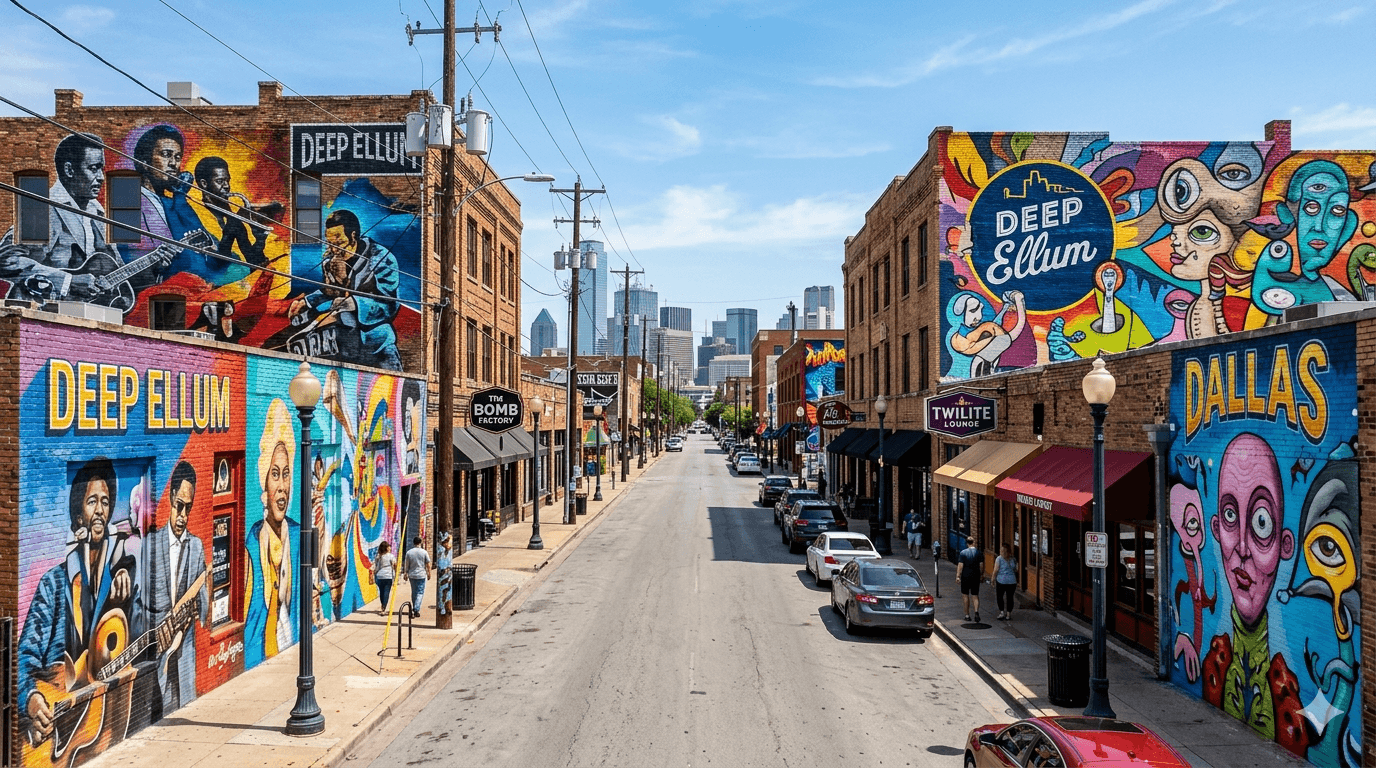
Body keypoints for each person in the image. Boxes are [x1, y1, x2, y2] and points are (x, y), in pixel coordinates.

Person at [18, 458, 140, 745]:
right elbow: (23, 659)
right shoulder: (53, 585)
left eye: (106, 502)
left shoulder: (117, 581)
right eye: (92, 501)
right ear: (78, 515)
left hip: (94, 731)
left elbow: (132, 647)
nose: (100, 510)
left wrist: (125, 600)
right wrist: (32, 699)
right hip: (52, 732)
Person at [287, 209, 402, 370]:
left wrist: (352, 303)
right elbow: (329, 292)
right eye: (330, 244)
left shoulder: (381, 258)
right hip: (346, 349)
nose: (334, 250)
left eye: (339, 243)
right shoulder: (330, 261)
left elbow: (388, 305)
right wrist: (306, 303)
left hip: (378, 348)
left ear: (353, 236)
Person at [144, 461, 209, 717]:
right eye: (179, 506)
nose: (183, 515)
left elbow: (204, 610)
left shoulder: (196, 547)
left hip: (183, 660)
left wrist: (198, 602)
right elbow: (140, 602)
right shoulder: (151, 544)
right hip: (156, 658)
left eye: (188, 508)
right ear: (171, 497)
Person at [245, 399, 300, 669]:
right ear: (265, 482)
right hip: (260, 654)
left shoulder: (300, 537)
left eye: (287, 474)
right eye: (275, 474)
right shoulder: (252, 545)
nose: (282, 486)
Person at [956, 535, 983, 623]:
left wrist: (958, 576)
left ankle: (967, 615)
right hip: (975, 576)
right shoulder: (979, 553)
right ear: (973, 542)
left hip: (966, 576)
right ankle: (976, 612)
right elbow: (981, 566)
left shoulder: (963, 553)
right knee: (975, 595)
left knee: (965, 595)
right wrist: (981, 575)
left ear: (967, 543)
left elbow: (960, 566)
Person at [404, 537, 431, 618]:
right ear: (420, 542)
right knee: (420, 592)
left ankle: (415, 607)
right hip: (421, 575)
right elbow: (428, 564)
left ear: (413, 543)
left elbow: (406, 564)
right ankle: (416, 609)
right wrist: (429, 573)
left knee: (414, 592)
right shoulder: (424, 552)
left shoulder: (409, 553)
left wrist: (406, 573)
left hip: (412, 575)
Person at [994, 544, 1017, 621]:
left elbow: (996, 570)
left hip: (1001, 580)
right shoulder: (1013, 559)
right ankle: (1008, 614)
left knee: (1000, 596)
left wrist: (992, 579)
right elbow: (1016, 569)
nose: (1001, 552)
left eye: (1002, 550)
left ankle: (1002, 612)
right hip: (1012, 581)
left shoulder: (999, 559)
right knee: (1010, 597)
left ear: (1006, 552)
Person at [373, 540, 396, 614]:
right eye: (389, 546)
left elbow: (376, 567)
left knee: (382, 592)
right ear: (386, 548)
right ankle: (384, 608)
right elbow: (395, 565)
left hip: (379, 576)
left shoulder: (378, 557)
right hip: (388, 576)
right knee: (386, 592)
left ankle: (383, 606)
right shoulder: (391, 556)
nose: (390, 547)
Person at [435, 532, 453, 614]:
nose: (448, 544)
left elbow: (449, 563)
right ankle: (442, 607)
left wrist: (448, 568)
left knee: (447, 590)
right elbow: (440, 562)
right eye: (446, 542)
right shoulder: (440, 550)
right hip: (442, 573)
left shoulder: (449, 551)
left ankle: (446, 607)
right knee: (443, 591)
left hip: (448, 574)